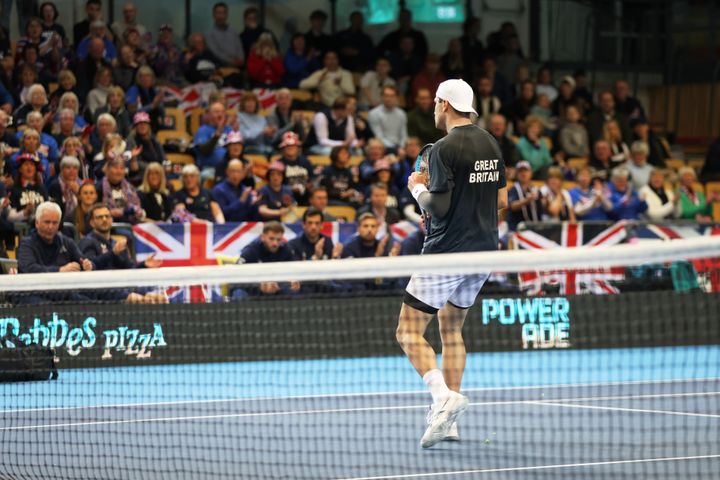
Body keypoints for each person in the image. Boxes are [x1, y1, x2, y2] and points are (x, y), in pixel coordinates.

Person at [397, 79, 507, 448]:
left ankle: (442, 398)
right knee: (451, 329)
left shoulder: (443, 148)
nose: (433, 108)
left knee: (407, 331)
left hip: (447, 252)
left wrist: (416, 188)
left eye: (435, 103)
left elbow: (439, 206)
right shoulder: (490, 143)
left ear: (444, 104)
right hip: (484, 251)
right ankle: (450, 422)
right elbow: (501, 201)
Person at [17, 202, 92, 281]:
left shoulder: (66, 242)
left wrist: (88, 265)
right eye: (47, 222)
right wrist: (60, 270)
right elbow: (29, 269)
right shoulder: (27, 244)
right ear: (37, 223)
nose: (50, 227)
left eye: (55, 223)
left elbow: (84, 260)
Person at [80, 203, 163, 272]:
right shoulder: (87, 242)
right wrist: (112, 253)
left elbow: (129, 268)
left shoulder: (116, 244)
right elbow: (90, 265)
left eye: (107, 216)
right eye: (99, 217)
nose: (104, 219)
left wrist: (143, 264)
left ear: (112, 220)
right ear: (92, 222)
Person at [236, 221, 299, 297]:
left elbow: (294, 271)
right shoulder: (251, 251)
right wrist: (259, 287)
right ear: (263, 237)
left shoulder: (286, 250)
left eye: (278, 239)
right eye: (271, 239)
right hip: (253, 289)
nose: (275, 243)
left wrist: (293, 281)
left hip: (278, 289)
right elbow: (236, 274)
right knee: (239, 293)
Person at [194, 102, 233, 181]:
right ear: (209, 114)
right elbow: (205, 151)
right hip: (210, 168)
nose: (220, 115)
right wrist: (216, 136)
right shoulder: (203, 130)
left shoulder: (229, 129)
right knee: (206, 175)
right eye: (216, 112)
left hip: (229, 169)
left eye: (222, 112)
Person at [7, 153, 47, 224]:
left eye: (32, 164)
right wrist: (25, 212)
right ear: (20, 169)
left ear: (35, 169)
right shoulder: (14, 189)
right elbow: (9, 217)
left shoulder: (42, 188)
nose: (29, 167)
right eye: (26, 164)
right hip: (21, 227)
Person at [367, 85, 407, 153]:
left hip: (400, 148)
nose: (389, 99)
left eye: (392, 96)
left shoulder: (401, 114)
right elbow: (379, 136)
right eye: (386, 96)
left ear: (396, 98)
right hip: (382, 148)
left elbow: (403, 135)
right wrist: (396, 149)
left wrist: (402, 147)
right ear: (382, 97)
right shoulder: (374, 113)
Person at [277, 131, 313, 204]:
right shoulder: (278, 164)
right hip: (285, 198)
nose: (291, 148)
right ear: (283, 148)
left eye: (293, 145)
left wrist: (308, 186)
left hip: (306, 197)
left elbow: (312, 178)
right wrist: (290, 189)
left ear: (298, 147)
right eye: (288, 146)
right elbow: (276, 185)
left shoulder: (306, 162)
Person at [206, 2, 245, 68]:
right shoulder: (209, 34)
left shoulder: (234, 32)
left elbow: (239, 48)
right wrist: (232, 61)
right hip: (221, 68)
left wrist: (241, 59)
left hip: (238, 67)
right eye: (218, 13)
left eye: (223, 13)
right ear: (213, 15)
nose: (221, 16)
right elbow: (217, 53)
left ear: (227, 15)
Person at [236, 91, 275, 155]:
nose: (251, 103)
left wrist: (270, 133)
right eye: (248, 101)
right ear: (243, 104)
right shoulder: (239, 116)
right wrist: (262, 132)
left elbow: (268, 139)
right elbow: (245, 136)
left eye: (253, 101)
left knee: (275, 152)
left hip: (263, 147)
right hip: (248, 148)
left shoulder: (261, 118)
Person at [506, 160, 541, 230]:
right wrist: (527, 200)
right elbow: (512, 206)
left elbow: (543, 206)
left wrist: (546, 202)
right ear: (516, 174)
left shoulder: (536, 189)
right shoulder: (513, 190)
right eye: (520, 171)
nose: (523, 173)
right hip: (516, 228)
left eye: (526, 170)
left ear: (531, 173)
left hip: (534, 228)